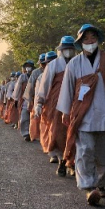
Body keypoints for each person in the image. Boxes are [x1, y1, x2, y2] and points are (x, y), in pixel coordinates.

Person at [58, 24, 105, 206]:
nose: (90, 41)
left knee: (104, 154)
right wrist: (65, 111)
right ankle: (89, 187)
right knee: (85, 151)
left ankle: (101, 184)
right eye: (86, 38)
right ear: (80, 42)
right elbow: (67, 89)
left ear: (98, 39)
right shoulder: (75, 64)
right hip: (83, 116)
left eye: (93, 37)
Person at [36, 36, 75, 176]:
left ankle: (73, 162)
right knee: (59, 133)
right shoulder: (53, 65)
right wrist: (39, 102)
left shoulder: (79, 63)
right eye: (66, 49)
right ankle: (62, 161)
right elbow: (45, 85)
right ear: (61, 50)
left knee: (76, 133)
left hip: (76, 103)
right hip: (57, 104)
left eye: (71, 48)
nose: (68, 51)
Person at [26, 53, 48, 143]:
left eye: (45, 63)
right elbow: (30, 86)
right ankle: (34, 135)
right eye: (42, 63)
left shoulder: (54, 69)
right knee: (35, 117)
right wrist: (29, 100)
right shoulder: (36, 72)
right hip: (37, 96)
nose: (43, 65)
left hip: (51, 98)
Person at [13, 60, 35, 141]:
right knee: (24, 116)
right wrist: (16, 99)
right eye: (27, 66)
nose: (28, 68)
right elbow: (18, 88)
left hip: (34, 98)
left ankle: (33, 133)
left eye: (30, 66)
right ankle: (26, 133)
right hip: (24, 99)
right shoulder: (22, 77)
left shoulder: (35, 74)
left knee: (34, 117)